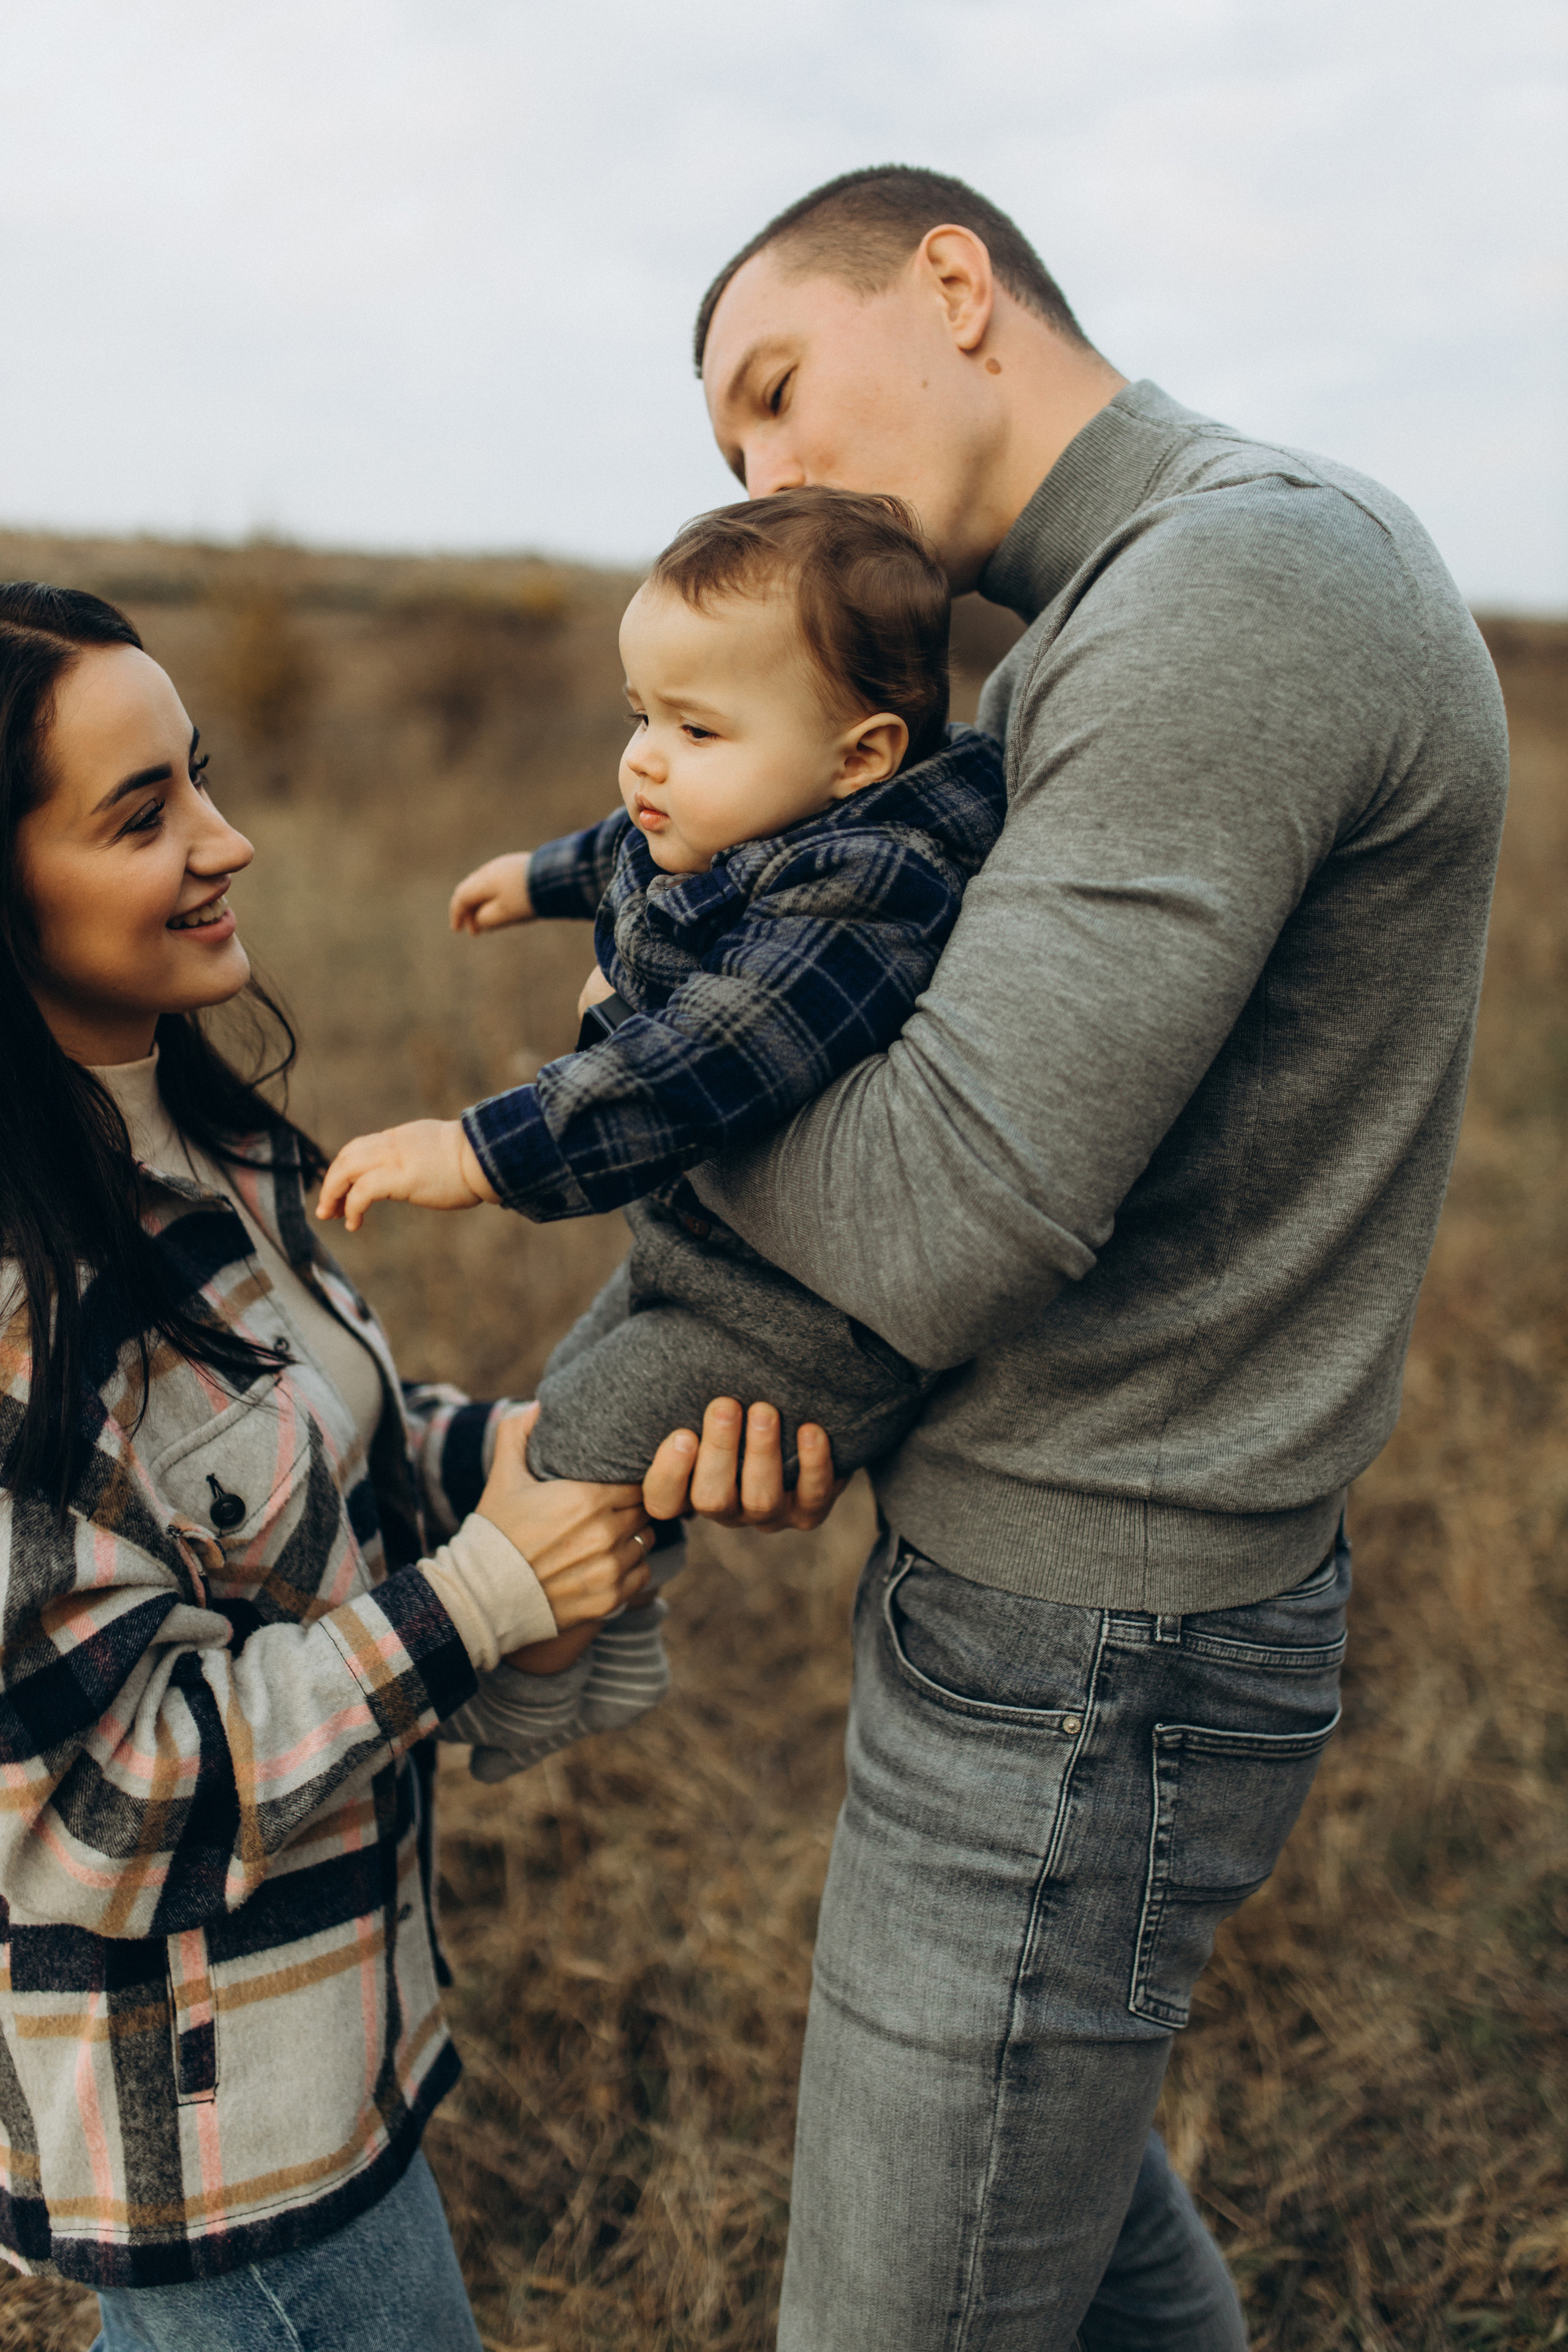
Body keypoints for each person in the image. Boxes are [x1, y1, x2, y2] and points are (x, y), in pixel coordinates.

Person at [680, 166, 1510, 2348]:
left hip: (1091, 1636)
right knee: (1065, 2227)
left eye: (776, 393)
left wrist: (636, 1074)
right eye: (730, 461)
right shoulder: (1112, 622)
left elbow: (949, 1207)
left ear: (955, 285)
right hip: (1047, 1577)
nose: (771, 483)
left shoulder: (1237, 588)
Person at [0, 583, 831, 2351]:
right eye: (142, 816)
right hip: (225, 2151)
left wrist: (587, 1454)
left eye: (199, 778)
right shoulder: (14, 1298)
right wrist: (490, 1591)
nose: (227, 841)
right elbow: (93, 1805)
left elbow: (336, 1462)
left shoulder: (198, 1129)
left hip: (340, 2044)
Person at [316, 489, 1005, 1496]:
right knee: (555, 1402)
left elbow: (700, 1065)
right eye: (642, 713)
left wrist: (478, 1151)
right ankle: (577, 1629)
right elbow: (631, 843)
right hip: (702, 1253)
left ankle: (562, 1648)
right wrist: (534, 877)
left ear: (861, 756)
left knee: (571, 1458)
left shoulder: (868, 891)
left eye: (697, 730)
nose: (645, 756)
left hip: (800, 1322)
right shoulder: (756, 811)